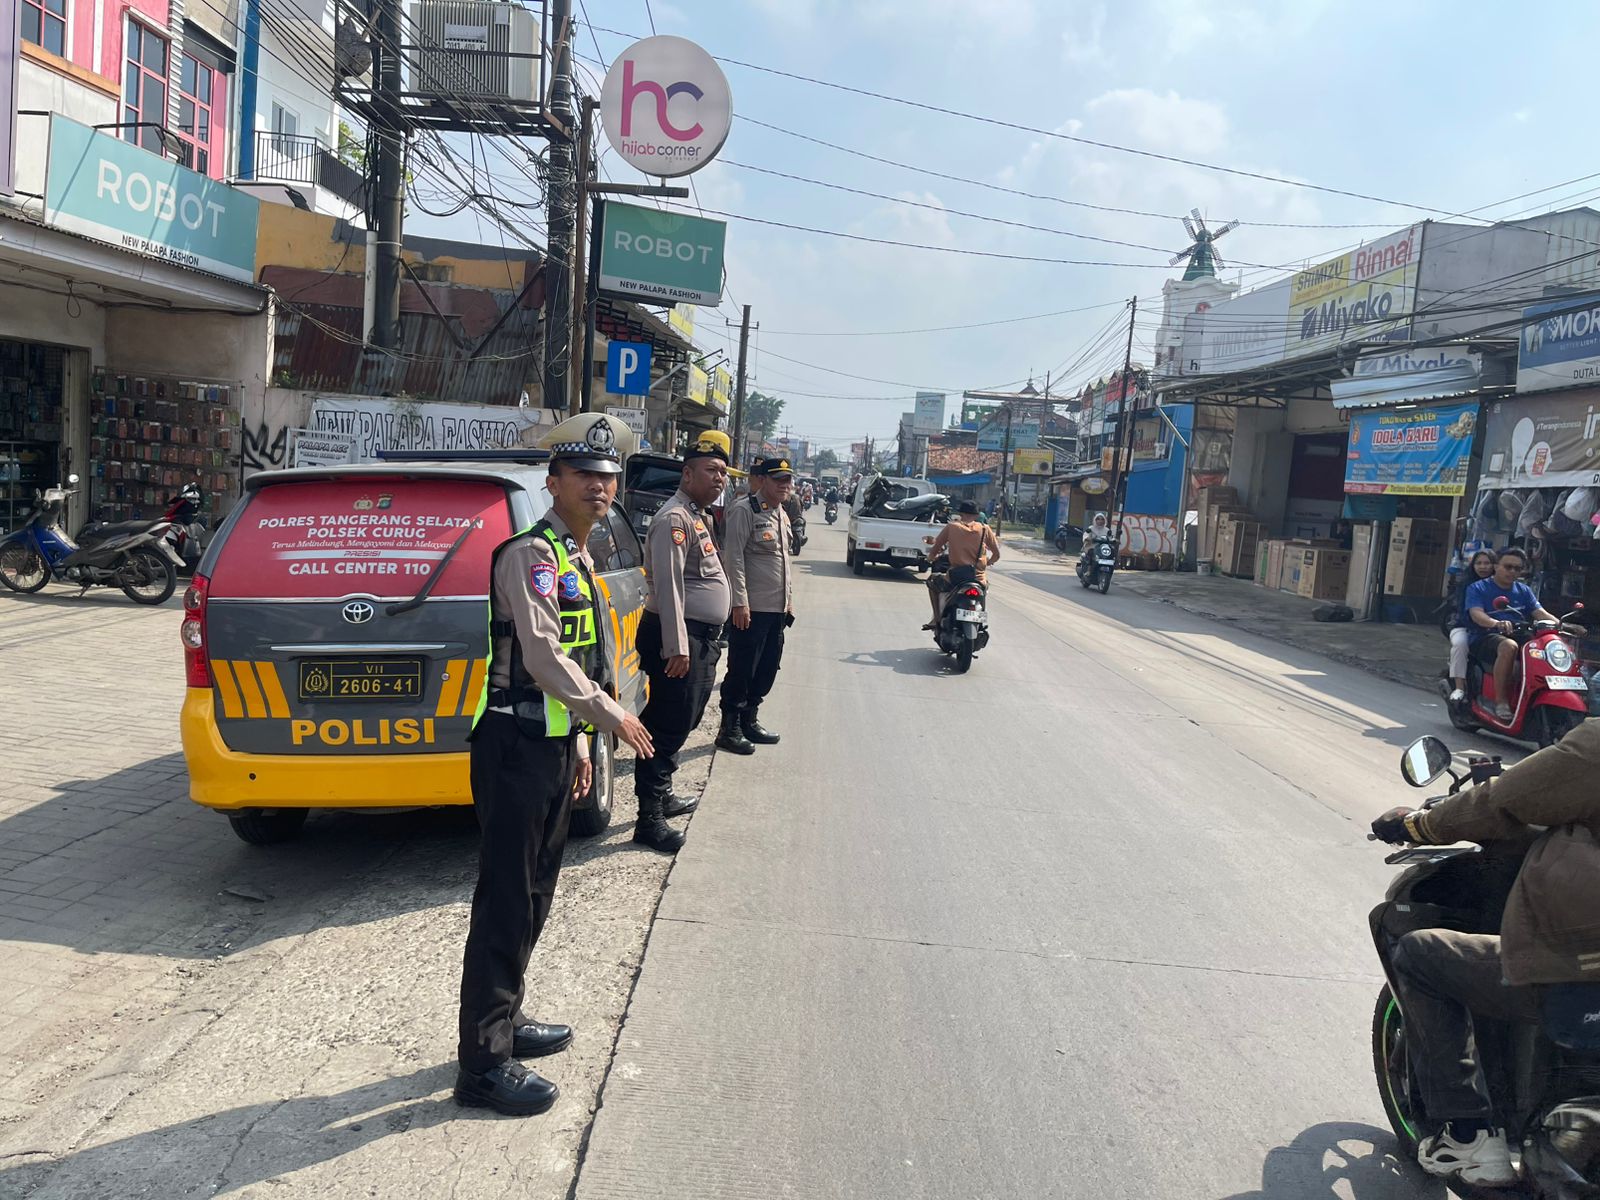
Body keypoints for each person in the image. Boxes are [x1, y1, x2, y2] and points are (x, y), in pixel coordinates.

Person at [456, 413, 656, 1117]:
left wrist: (578, 742)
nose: (599, 487)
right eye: (584, 476)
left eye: (608, 477)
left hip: (548, 745)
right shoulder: (530, 556)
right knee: (506, 902)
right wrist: (611, 716)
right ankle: (482, 1067)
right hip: (512, 746)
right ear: (554, 481)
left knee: (536, 893)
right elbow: (542, 659)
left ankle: (506, 1022)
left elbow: (577, 655)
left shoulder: (575, 556)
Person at [1371, 719, 1600, 1187]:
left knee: (1419, 955)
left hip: (1585, 976)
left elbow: (1505, 799)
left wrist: (1418, 824)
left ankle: (1467, 1136)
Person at [634, 432, 733, 853]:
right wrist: (677, 646)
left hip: (697, 637)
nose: (719, 479)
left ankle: (664, 795)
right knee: (666, 723)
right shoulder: (674, 519)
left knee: (684, 719)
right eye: (711, 471)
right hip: (678, 637)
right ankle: (648, 818)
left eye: (723, 472)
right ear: (688, 474)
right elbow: (670, 585)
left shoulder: (697, 515)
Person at [718, 457, 795, 754]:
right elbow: (734, 558)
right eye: (778, 479)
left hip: (776, 609)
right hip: (751, 609)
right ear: (762, 480)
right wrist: (739, 602)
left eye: (788, 480)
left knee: (766, 668)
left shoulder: (781, 513)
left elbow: (784, 563)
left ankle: (749, 720)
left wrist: (789, 602)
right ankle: (729, 729)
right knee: (742, 668)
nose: (784, 485)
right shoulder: (745, 510)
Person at [1464, 547, 1557, 721]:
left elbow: (1540, 613)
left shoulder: (1523, 590)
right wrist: (1496, 623)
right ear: (1496, 566)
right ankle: (1501, 702)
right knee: (1509, 646)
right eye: (1508, 567)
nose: (1512, 571)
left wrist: (1564, 625)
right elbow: (1477, 614)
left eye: (1517, 568)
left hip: (1518, 633)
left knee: (1544, 647)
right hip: (1484, 636)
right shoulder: (1478, 588)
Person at [923, 499, 1001, 630]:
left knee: (932, 581)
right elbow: (996, 554)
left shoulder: (952, 527)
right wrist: (988, 562)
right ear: (977, 515)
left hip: (955, 579)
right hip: (978, 579)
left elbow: (936, 547)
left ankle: (936, 620)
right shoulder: (984, 529)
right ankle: (980, 621)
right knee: (985, 589)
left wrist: (930, 558)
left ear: (960, 514)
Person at [1445, 551, 1496, 704]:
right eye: (1479, 563)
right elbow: (1464, 612)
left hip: (1494, 629)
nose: (1483, 567)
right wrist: (1479, 623)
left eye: (1487, 563)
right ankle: (1459, 687)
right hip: (1465, 627)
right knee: (1460, 644)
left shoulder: (1500, 585)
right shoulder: (1467, 585)